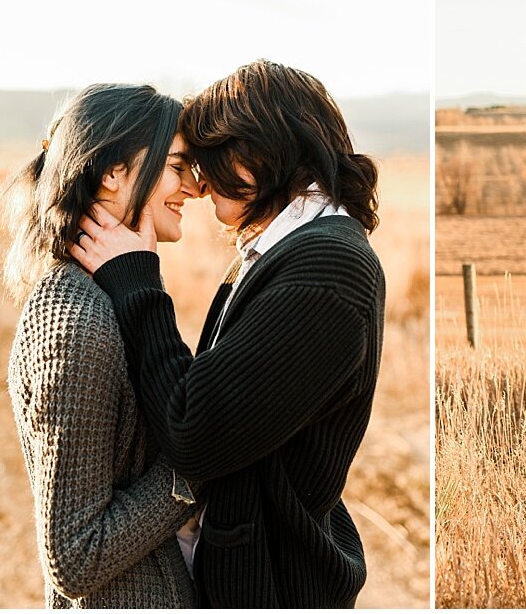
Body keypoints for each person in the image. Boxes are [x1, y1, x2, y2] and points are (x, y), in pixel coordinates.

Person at [70, 60, 385, 608]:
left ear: (255, 155)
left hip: (275, 588)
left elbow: (195, 431)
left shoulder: (326, 271)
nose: (196, 183)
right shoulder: (287, 252)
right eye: (185, 164)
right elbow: (223, 401)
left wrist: (136, 283)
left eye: (206, 159)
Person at [0, 83, 203, 607]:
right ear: (114, 172)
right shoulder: (75, 324)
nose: (193, 187)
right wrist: (201, 466)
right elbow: (74, 554)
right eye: (178, 166)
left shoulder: (108, 294)